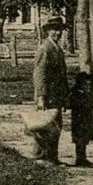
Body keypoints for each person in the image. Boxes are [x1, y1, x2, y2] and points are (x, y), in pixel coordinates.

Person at [30, 17, 70, 164]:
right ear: (48, 31)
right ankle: (40, 156)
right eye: (54, 29)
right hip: (47, 95)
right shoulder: (45, 48)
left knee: (55, 127)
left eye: (60, 29)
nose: (57, 33)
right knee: (43, 126)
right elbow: (39, 74)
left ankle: (52, 157)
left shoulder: (57, 49)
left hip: (57, 95)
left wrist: (65, 95)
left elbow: (62, 75)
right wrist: (41, 96)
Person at [68, 70, 93, 167]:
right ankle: (80, 158)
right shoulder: (77, 95)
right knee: (80, 140)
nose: (88, 87)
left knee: (85, 140)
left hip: (87, 121)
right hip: (79, 121)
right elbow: (72, 105)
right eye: (85, 84)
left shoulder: (89, 95)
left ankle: (83, 158)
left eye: (89, 85)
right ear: (80, 84)